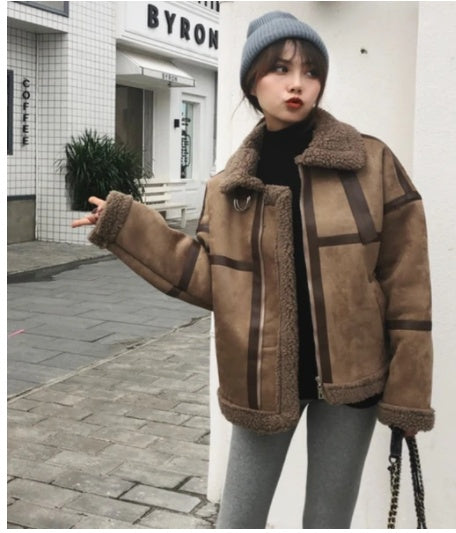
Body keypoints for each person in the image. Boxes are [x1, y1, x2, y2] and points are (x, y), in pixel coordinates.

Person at [72, 11, 434, 529]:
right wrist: (127, 226)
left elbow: (407, 282)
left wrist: (409, 395)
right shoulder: (229, 186)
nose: (297, 83)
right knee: (238, 520)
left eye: (311, 71)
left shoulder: (370, 163)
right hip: (262, 380)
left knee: (328, 521)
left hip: (354, 379)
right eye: (280, 69)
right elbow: (209, 277)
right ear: (251, 81)